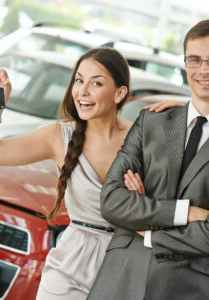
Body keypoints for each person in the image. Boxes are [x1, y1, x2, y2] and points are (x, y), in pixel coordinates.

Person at [0, 47, 180, 299]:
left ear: (119, 93)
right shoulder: (58, 137)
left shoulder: (146, 138)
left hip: (126, 268)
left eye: (96, 83)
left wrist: (189, 114)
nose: (83, 91)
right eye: (79, 80)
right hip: (67, 270)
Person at [88, 19, 209, 300]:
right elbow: (113, 201)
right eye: (195, 60)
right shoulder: (152, 121)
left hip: (188, 287)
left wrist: (148, 228)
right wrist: (186, 213)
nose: (204, 69)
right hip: (120, 278)